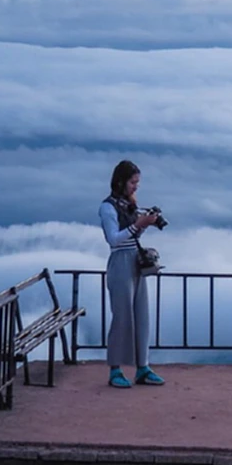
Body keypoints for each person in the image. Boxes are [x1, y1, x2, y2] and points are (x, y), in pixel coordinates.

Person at [99, 160, 165, 388]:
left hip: (135, 263)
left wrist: (145, 223)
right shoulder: (107, 207)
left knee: (141, 315)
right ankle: (115, 369)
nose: (135, 187)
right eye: (133, 182)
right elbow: (113, 239)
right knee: (122, 317)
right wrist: (139, 224)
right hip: (120, 262)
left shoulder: (127, 204)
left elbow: (132, 235)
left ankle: (142, 367)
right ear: (121, 182)